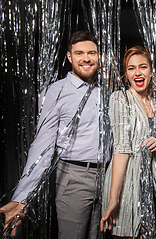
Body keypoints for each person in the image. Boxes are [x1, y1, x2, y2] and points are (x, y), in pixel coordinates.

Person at [0, 31, 103, 239]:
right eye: (79, 53)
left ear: (99, 56)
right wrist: (22, 197)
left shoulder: (104, 91)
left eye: (91, 53)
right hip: (73, 177)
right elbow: (43, 145)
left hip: (105, 178)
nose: (86, 58)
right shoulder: (56, 91)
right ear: (69, 57)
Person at [100, 46, 156, 238]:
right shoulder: (120, 99)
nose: (137, 72)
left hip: (153, 178)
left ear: (151, 71)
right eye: (131, 68)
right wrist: (114, 197)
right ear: (126, 74)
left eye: (143, 66)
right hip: (127, 177)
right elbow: (121, 149)